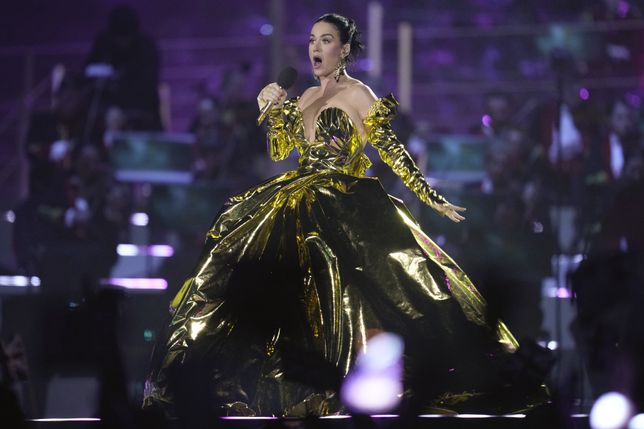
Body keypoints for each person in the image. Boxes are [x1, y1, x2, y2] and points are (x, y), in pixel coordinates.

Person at [143, 13, 547, 417]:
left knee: (356, 284)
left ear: (345, 50)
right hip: (295, 195)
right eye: (312, 40)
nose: (316, 48)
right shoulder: (302, 97)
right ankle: (275, 383)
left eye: (326, 40)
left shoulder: (358, 94)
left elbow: (390, 150)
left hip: (343, 200)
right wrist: (271, 112)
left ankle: (361, 378)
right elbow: (281, 152)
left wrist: (429, 194)